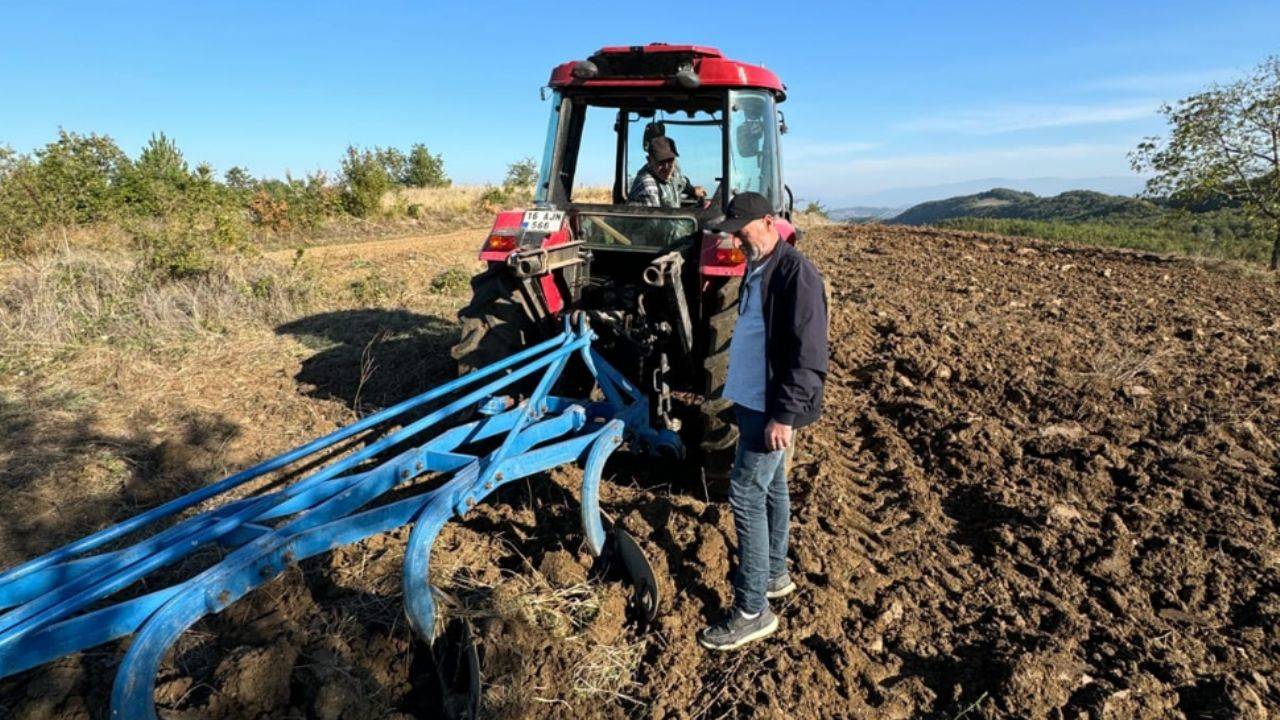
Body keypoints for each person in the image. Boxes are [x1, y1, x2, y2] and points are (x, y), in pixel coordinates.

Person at [698, 191, 829, 652]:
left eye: (742, 227)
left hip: (773, 408)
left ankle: (752, 610)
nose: (735, 235)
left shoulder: (797, 273)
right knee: (773, 488)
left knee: (744, 493)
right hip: (754, 401)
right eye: (731, 228)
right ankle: (773, 574)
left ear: (770, 221)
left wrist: (785, 416)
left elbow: (808, 355)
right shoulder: (756, 266)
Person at [627, 136, 706, 208]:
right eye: (661, 162)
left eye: (670, 160)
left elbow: (680, 181)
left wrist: (693, 190)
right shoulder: (648, 187)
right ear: (649, 160)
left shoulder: (673, 169)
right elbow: (658, 222)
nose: (666, 167)